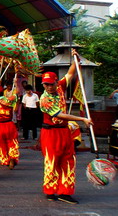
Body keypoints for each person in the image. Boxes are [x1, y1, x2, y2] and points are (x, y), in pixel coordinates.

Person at [39, 49, 93, 204]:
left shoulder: (61, 86)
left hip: (63, 132)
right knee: (52, 161)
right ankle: (50, 190)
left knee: (69, 160)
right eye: (46, 84)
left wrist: (75, 59)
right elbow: (59, 115)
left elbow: (69, 74)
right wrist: (82, 118)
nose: (49, 87)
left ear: (56, 82)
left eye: (51, 84)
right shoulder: (44, 99)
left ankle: (65, 192)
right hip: (50, 133)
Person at [0, 81, 19, 169]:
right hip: (9, 123)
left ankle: (5, 160)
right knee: (12, 142)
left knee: (1, 143)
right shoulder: (9, 100)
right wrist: (15, 84)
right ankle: (12, 157)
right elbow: (17, 94)